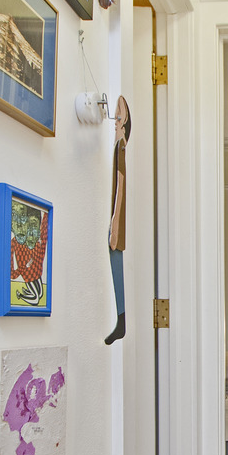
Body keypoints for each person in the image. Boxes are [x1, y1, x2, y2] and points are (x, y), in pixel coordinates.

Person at [105, 95, 130, 345]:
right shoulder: (117, 148)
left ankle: (121, 320)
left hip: (117, 223)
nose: (115, 122)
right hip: (116, 221)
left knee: (117, 263)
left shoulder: (120, 148)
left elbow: (120, 185)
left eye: (118, 119)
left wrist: (115, 221)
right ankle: (120, 320)